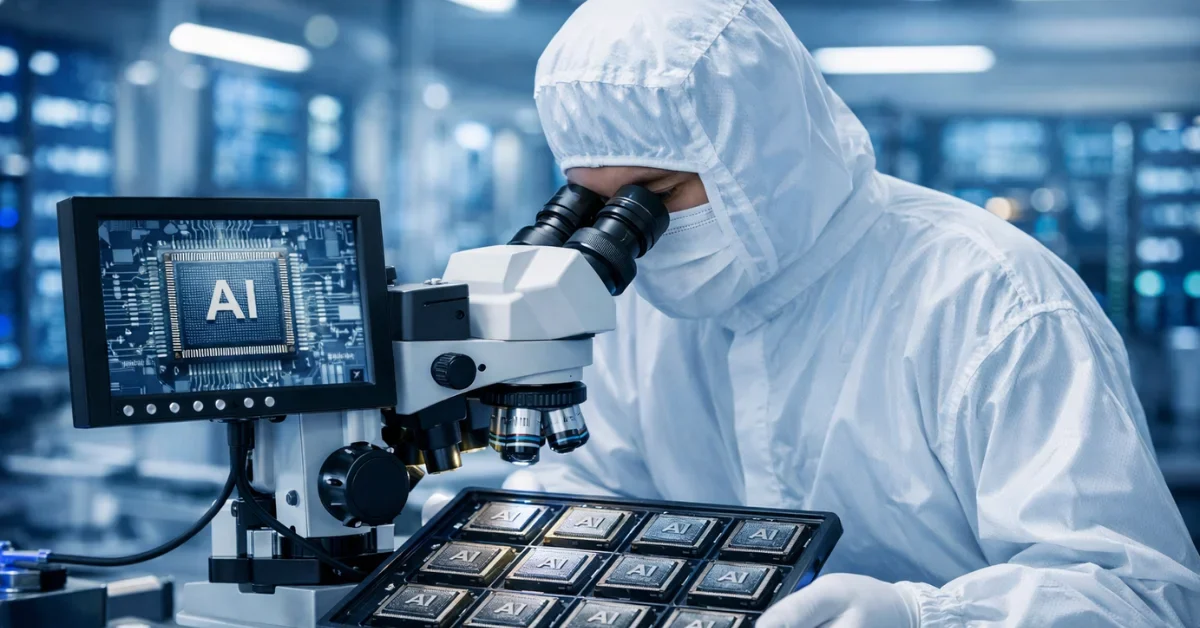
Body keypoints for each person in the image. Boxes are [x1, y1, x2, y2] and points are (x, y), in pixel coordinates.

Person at [440, 0, 1200, 625]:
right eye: (596, 204)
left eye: (656, 197)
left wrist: (919, 620)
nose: (628, 236)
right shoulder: (643, 301)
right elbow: (591, 492)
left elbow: (1138, 594)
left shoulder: (994, 299)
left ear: (762, 156)